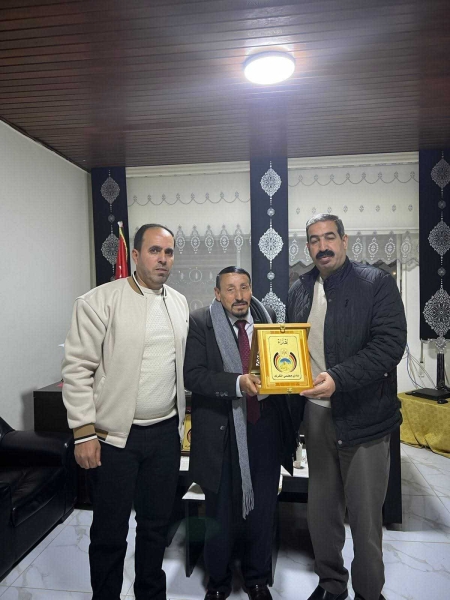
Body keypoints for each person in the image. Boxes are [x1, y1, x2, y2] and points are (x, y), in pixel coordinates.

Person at [62, 224, 189, 600]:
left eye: (168, 252)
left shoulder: (178, 302)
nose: (162, 259)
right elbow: (77, 369)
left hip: (164, 435)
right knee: (109, 532)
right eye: (154, 251)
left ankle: (150, 594)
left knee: (155, 527)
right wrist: (83, 432)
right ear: (135, 255)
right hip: (114, 438)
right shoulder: (98, 301)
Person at [287, 214, 407, 600]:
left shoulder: (376, 283)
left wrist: (338, 378)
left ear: (344, 240)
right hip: (316, 415)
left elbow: (389, 345)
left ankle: (369, 592)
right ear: (308, 246)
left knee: (365, 516)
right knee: (322, 510)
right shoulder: (299, 289)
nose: (322, 246)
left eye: (329, 237)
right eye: (314, 240)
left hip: (365, 416)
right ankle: (331, 584)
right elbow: (291, 347)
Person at [184, 266, 297, 600]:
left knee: (263, 510)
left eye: (244, 287)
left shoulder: (268, 319)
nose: (239, 296)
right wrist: (237, 383)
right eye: (230, 289)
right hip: (222, 431)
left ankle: (258, 579)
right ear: (217, 294)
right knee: (219, 510)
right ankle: (218, 582)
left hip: (264, 428)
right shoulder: (201, 322)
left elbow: (284, 364)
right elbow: (193, 375)